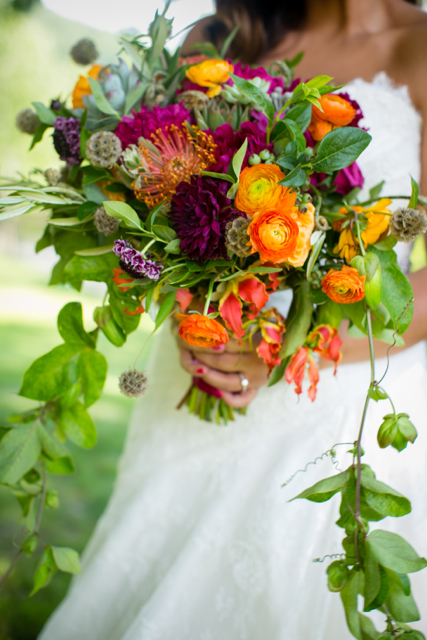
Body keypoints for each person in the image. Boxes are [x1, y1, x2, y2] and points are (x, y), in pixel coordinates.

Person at [39, 1, 427, 638]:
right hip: (197, 367)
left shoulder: (418, 47)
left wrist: (290, 346)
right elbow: (150, 200)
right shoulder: (219, 37)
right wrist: (181, 299)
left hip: (342, 387)